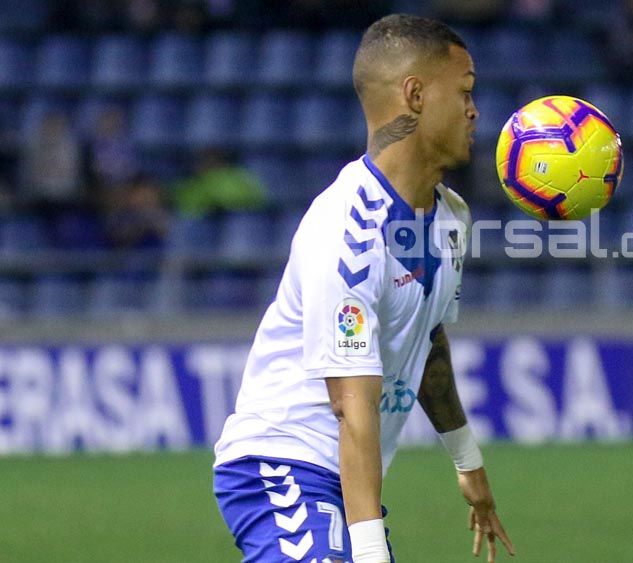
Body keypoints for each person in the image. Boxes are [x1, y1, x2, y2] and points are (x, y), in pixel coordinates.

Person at [213, 14, 515, 563]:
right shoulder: (347, 233)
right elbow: (352, 408)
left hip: (339, 480)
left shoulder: (452, 217)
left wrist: (468, 463)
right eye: (465, 92)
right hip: (280, 463)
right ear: (416, 95)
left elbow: (428, 342)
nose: (475, 111)